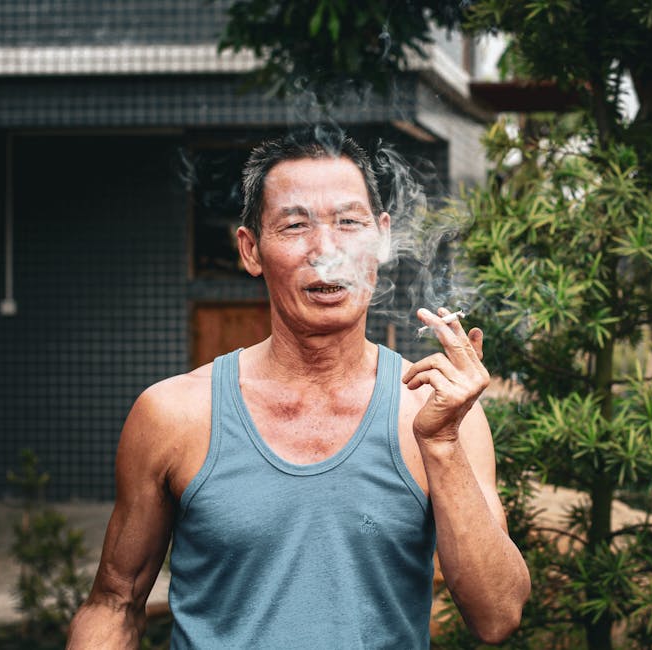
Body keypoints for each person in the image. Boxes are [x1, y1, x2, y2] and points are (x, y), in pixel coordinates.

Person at [67, 127, 531, 649]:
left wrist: (442, 445)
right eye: (295, 225)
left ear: (380, 240)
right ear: (251, 250)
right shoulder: (173, 414)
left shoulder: (438, 413)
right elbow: (114, 603)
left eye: (349, 223)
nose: (326, 250)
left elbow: (498, 616)